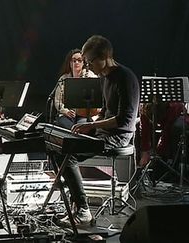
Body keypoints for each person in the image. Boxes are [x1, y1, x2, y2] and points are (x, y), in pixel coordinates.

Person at [55, 35, 139, 227]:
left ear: (105, 57)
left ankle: (84, 211)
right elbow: (106, 111)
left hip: (119, 136)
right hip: (104, 132)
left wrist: (91, 126)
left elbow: (123, 121)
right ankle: (75, 205)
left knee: (70, 156)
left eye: (90, 61)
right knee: (57, 147)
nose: (88, 66)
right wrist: (91, 123)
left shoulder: (125, 78)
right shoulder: (105, 78)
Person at [53, 48, 98, 129]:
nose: (76, 62)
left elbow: (97, 98)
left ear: (84, 63)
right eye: (74, 60)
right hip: (68, 114)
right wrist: (65, 111)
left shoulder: (91, 76)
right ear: (70, 63)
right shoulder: (63, 78)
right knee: (67, 127)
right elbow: (57, 101)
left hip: (85, 115)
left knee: (81, 128)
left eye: (79, 60)